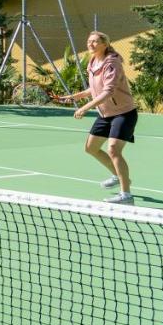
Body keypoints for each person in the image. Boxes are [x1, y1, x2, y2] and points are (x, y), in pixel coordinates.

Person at [62, 31, 137, 204]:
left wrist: (85, 108)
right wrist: (75, 96)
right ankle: (118, 176)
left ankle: (126, 195)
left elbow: (108, 91)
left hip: (123, 113)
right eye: (89, 41)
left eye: (95, 42)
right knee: (91, 148)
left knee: (113, 150)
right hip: (105, 113)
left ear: (105, 44)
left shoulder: (112, 63)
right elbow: (94, 89)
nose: (91, 44)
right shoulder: (93, 62)